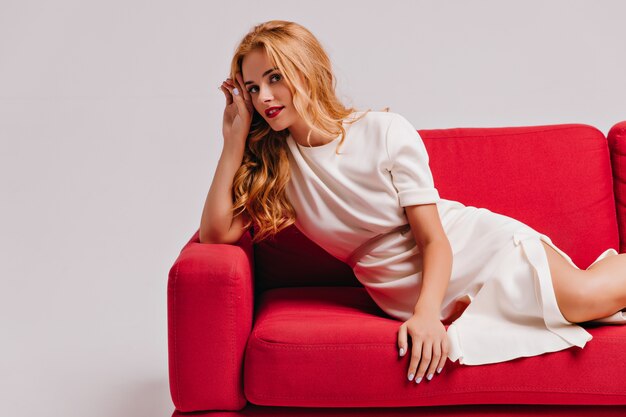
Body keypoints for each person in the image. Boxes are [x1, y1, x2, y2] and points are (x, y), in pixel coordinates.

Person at [200, 19, 626, 384]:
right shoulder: (278, 167)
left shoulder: (384, 131)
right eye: (253, 88)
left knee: (585, 299)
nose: (265, 98)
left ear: (305, 70)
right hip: (398, 290)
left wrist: (425, 315)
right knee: (580, 301)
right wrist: (234, 140)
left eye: (275, 78)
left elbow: (434, 239)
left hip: (470, 248)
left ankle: (593, 276)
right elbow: (216, 233)